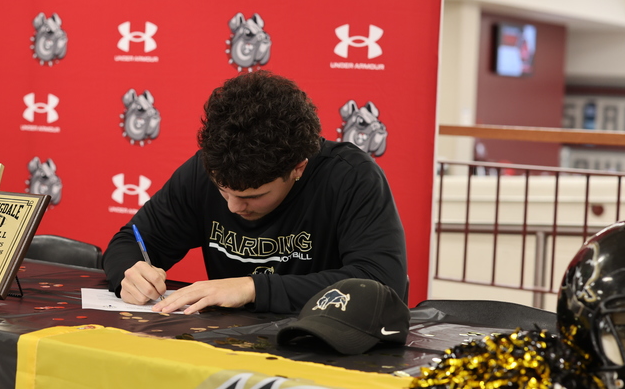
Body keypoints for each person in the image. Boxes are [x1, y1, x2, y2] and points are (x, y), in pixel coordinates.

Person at [103, 71, 407, 315]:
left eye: (253, 197)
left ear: (298, 168)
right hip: (226, 348)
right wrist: (131, 273)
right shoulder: (204, 170)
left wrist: (253, 288)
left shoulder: (349, 177)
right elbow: (129, 241)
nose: (234, 207)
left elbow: (381, 283)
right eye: (223, 191)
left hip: (321, 346)